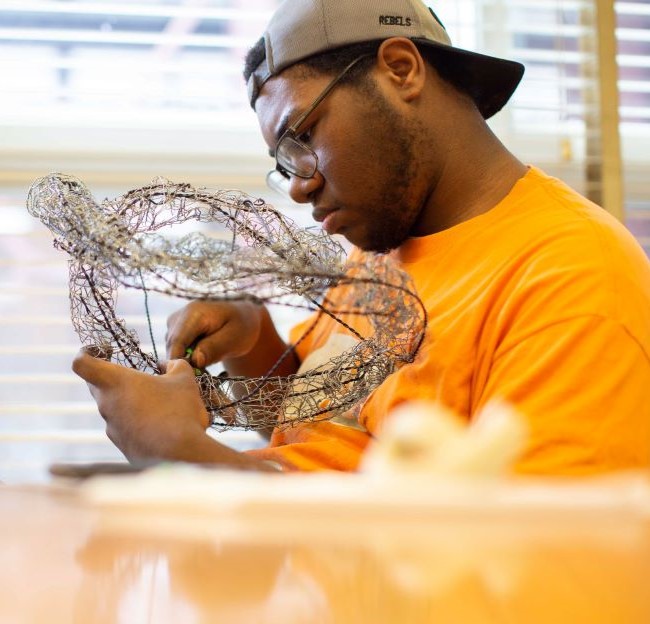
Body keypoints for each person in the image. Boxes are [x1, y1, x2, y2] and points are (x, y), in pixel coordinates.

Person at [73, 0, 650, 475]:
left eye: (302, 137)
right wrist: (255, 344)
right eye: (284, 162)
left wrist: (185, 458)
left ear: (401, 69)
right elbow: (319, 429)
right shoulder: (384, 245)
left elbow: (534, 555)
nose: (299, 188)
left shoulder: (572, 276)